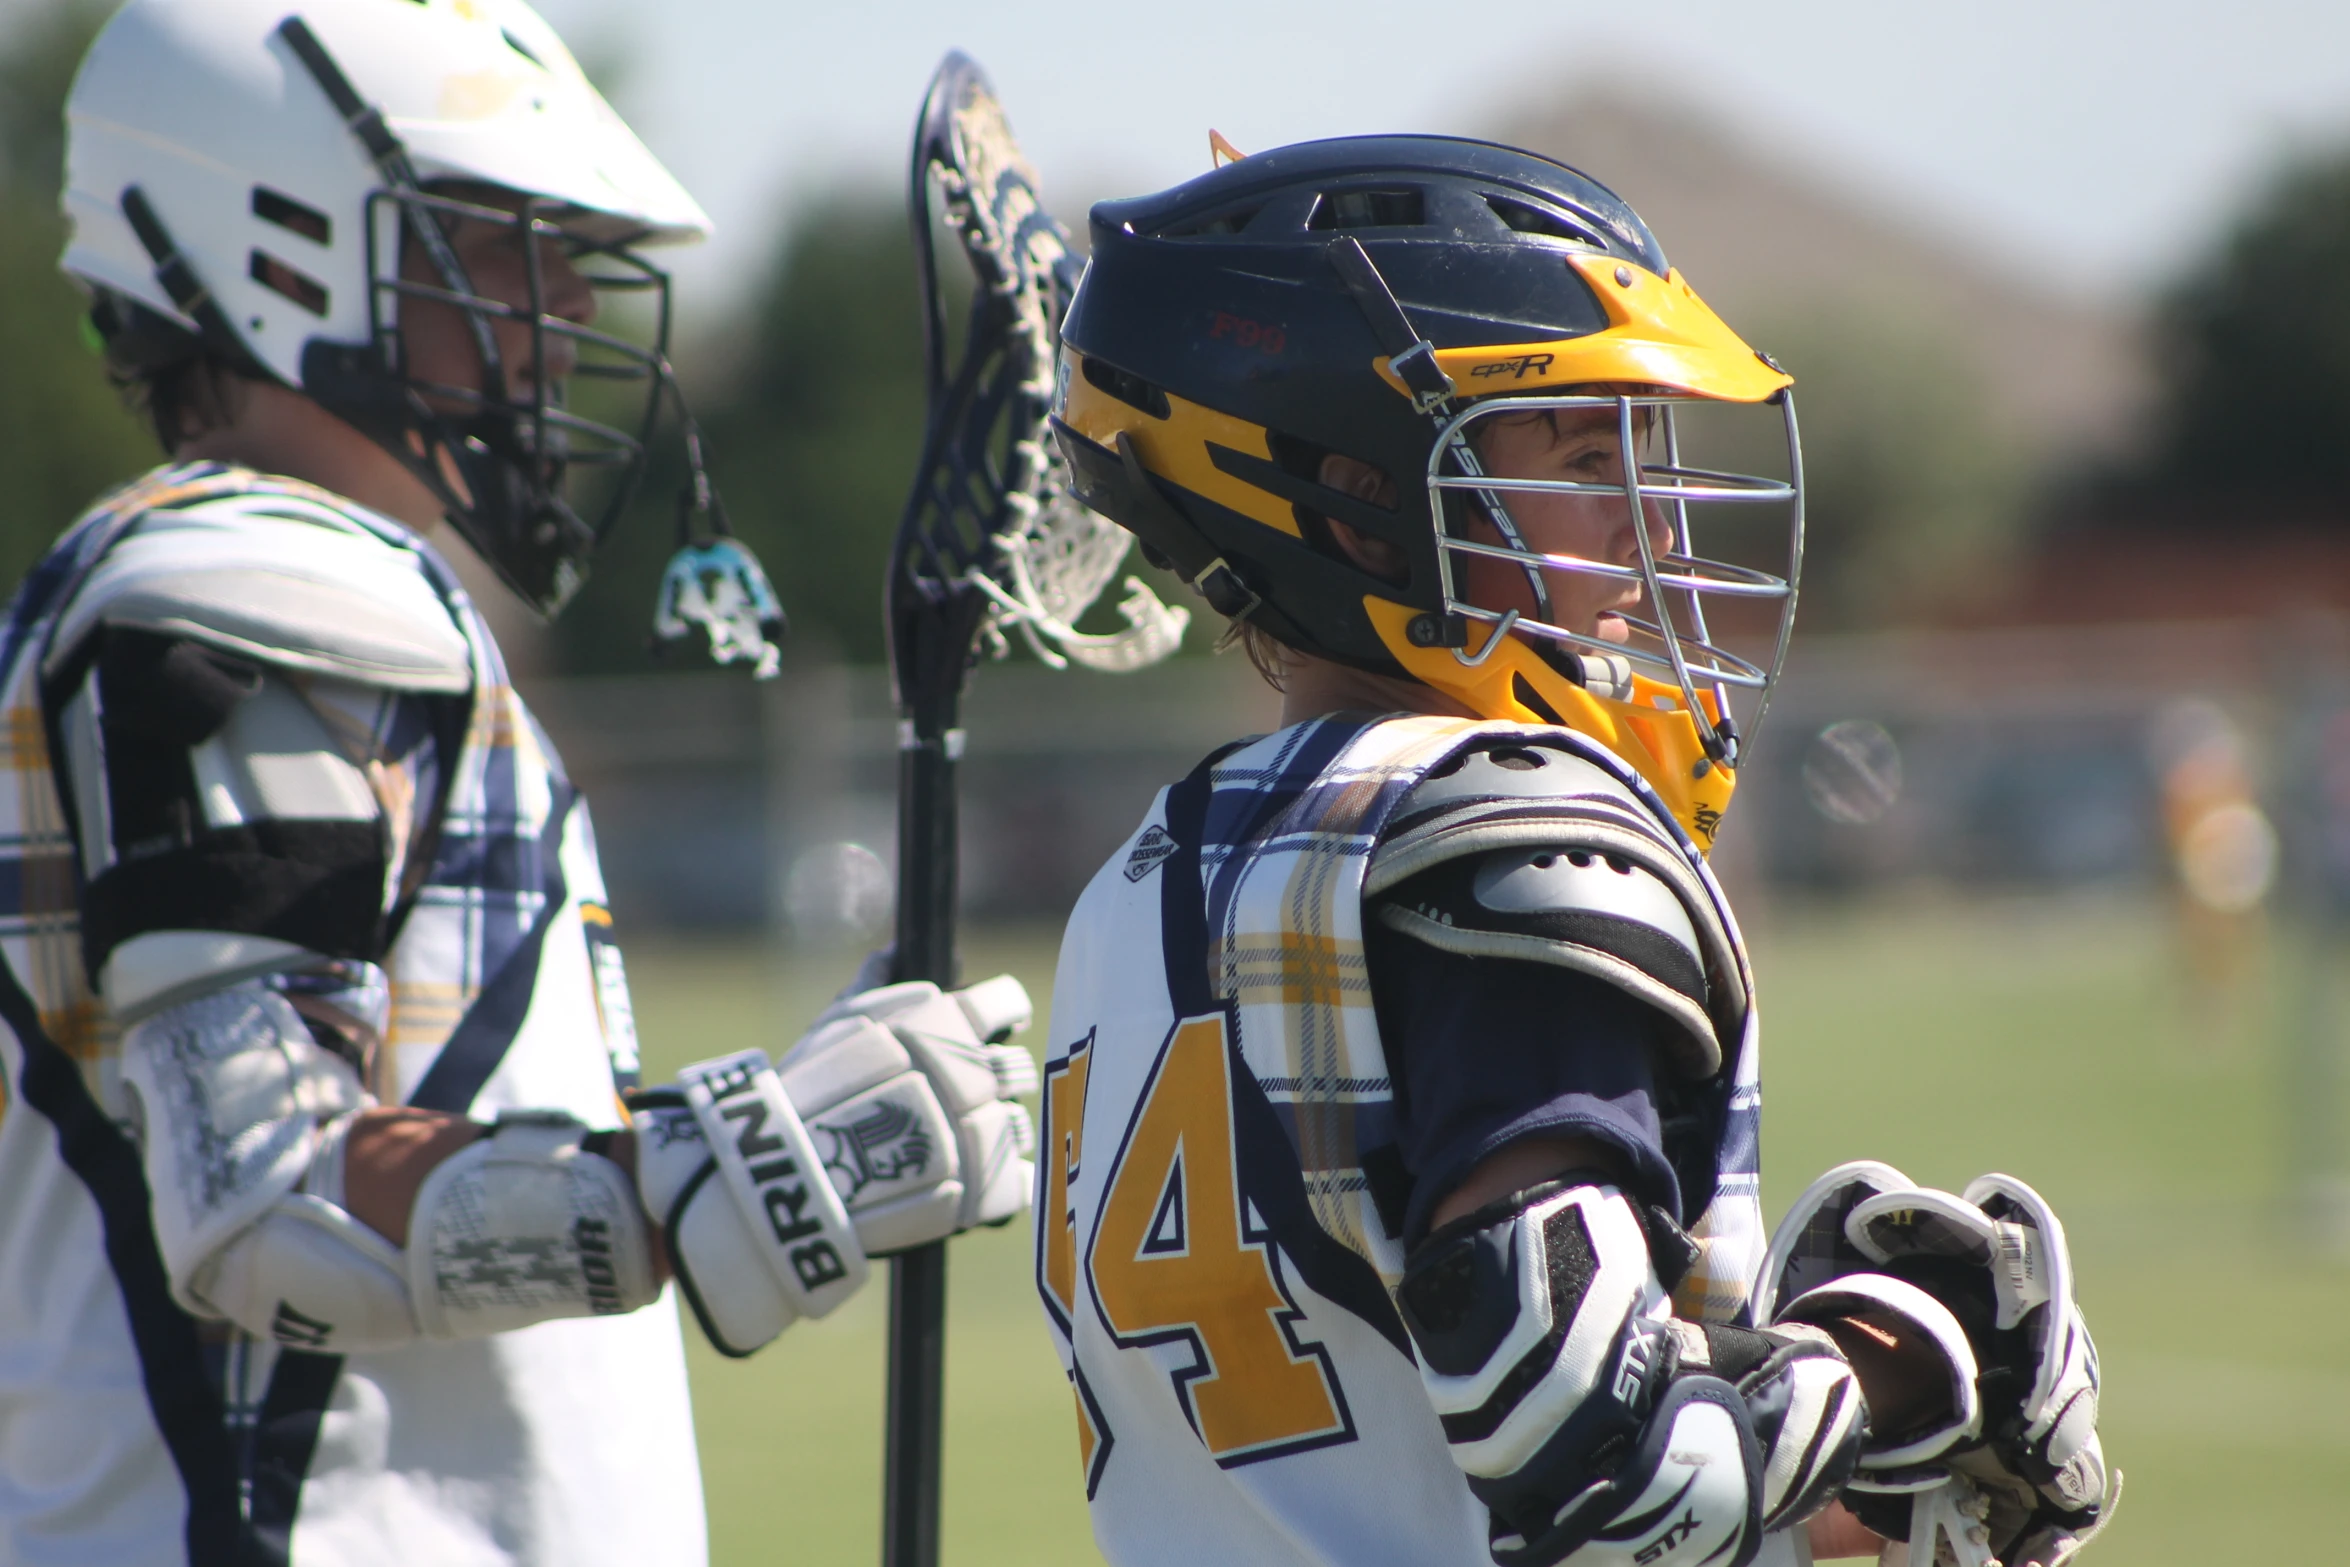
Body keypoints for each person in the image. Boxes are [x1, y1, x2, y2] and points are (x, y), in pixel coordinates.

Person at [0, 2, 1036, 1562]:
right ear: (278, 248)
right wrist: (698, 1181)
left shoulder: (268, 584)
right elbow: (269, 1196)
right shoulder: (241, 580)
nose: (558, 313)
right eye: (495, 243)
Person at [1034, 136, 2117, 1567]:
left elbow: (1377, 1443)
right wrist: (1895, 1359)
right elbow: (1600, 1455)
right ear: (1357, 497)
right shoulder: (1510, 830)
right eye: (1580, 449)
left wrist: (1847, 1501)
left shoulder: (1141, 873)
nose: (1644, 513)